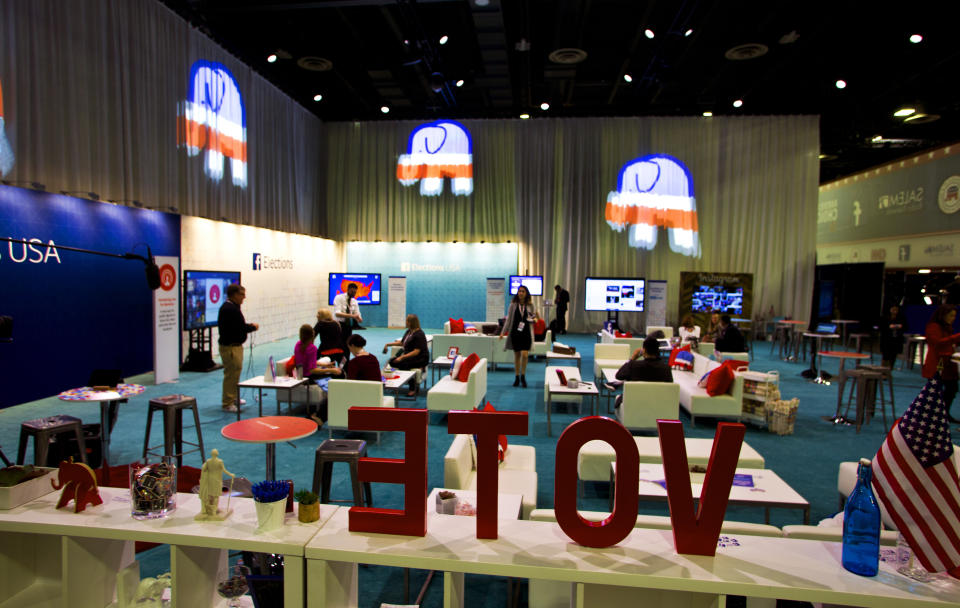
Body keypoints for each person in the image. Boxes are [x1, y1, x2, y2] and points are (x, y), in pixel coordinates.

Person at [217, 284, 259, 412]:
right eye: (242, 294)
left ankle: (233, 397)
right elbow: (239, 327)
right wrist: (252, 327)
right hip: (230, 347)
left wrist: (248, 326)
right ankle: (228, 403)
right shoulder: (230, 309)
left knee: (235, 373)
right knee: (231, 374)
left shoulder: (233, 307)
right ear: (235, 294)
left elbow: (238, 325)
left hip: (234, 346)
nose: (244, 297)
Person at [610, 336, 673, 410]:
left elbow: (619, 375)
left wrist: (632, 359)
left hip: (634, 402)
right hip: (658, 403)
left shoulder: (634, 365)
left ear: (644, 350)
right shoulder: (666, 368)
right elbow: (669, 387)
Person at [922, 305, 960, 422]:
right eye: (951, 315)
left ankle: (943, 413)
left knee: (952, 388)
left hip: (948, 363)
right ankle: (932, 415)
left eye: (954, 316)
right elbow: (937, 343)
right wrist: (956, 338)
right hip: (937, 363)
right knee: (934, 391)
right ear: (943, 315)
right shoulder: (933, 326)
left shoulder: (947, 327)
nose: (953, 318)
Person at [500, 284, 537, 387]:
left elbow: (533, 318)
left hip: (526, 333)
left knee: (525, 354)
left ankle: (523, 376)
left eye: (523, 291)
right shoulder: (513, 305)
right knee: (517, 355)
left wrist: (534, 319)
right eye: (519, 291)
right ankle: (516, 377)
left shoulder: (531, 305)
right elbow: (508, 320)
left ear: (526, 294)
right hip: (515, 333)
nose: (520, 293)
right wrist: (503, 332)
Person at [385, 314, 429, 396]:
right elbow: (402, 343)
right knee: (392, 361)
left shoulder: (419, 334)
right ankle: (394, 382)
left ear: (410, 322)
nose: (405, 322)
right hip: (409, 356)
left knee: (404, 364)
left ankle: (413, 388)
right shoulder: (408, 331)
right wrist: (388, 344)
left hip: (420, 358)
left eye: (407, 321)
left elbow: (416, 351)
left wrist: (402, 357)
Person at [198, 448, 234, 518]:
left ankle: (210, 510)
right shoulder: (220, 461)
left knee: (210, 494)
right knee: (216, 496)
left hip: (210, 480)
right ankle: (214, 510)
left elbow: (204, 469)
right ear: (217, 454)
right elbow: (224, 470)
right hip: (217, 480)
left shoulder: (208, 461)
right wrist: (231, 475)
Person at [333, 283, 362, 359]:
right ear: (348, 290)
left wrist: (359, 318)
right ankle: (337, 360)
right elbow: (337, 313)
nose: (354, 294)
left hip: (348, 326)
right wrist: (352, 316)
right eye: (352, 292)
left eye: (355, 292)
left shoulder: (354, 301)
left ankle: (346, 362)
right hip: (338, 325)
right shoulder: (339, 298)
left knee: (347, 345)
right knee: (338, 345)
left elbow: (357, 313)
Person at [878, 304, 906, 369]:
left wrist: (899, 326)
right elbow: (881, 327)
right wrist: (889, 327)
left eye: (896, 310)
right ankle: (883, 371)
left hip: (896, 340)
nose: (895, 311)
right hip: (886, 340)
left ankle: (889, 370)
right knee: (885, 356)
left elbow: (905, 327)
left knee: (893, 356)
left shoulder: (901, 318)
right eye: (893, 309)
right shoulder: (885, 317)